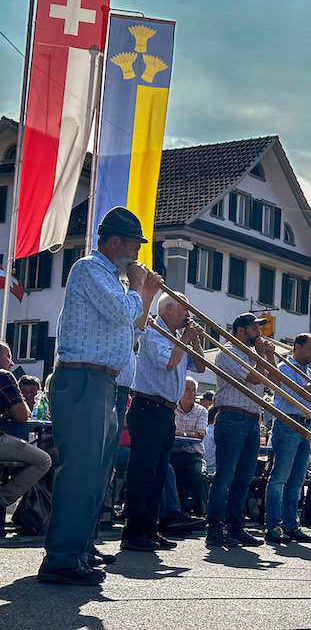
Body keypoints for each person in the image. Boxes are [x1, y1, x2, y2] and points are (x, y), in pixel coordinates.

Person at [38, 207, 161, 585]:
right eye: (134, 245)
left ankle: (80, 547)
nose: (138, 255)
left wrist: (142, 295)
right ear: (113, 243)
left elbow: (129, 335)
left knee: (96, 474)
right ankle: (61, 557)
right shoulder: (90, 269)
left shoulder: (115, 281)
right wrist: (144, 290)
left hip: (102, 382)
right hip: (82, 380)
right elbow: (123, 312)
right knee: (80, 473)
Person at [122, 291, 205, 551]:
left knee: (158, 475)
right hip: (148, 406)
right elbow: (169, 363)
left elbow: (201, 367)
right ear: (168, 309)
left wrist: (195, 341)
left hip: (165, 411)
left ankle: (150, 527)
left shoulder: (177, 337)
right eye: (184, 309)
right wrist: (186, 340)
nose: (188, 315)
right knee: (143, 473)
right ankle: (133, 531)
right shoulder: (153, 333)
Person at [206, 312, 276, 547]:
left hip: (252, 420)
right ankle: (215, 528)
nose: (259, 333)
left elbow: (273, 379)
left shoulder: (252, 355)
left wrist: (265, 355)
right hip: (232, 417)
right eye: (254, 329)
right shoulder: (227, 353)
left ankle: (235, 527)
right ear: (240, 331)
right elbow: (255, 379)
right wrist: (261, 354)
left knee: (243, 479)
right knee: (225, 476)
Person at [264, 333, 311, 545]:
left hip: (305, 426)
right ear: (297, 347)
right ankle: (273, 525)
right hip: (288, 423)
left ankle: (291, 525)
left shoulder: (309, 371)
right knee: (279, 478)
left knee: (297, 480)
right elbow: (296, 395)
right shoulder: (285, 367)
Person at [0, 342, 52, 523]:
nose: (12, 363)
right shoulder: (4, 376)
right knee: (44, 460)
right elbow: (23, 416)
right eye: (8, 356)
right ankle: (2, 498)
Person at [170, 377, 209, 517]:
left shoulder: (202, 411)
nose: (191, 393)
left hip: (194, 456)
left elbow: (201, 435)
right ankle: (175, 512)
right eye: (187, 390)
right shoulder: (171, 408)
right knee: (168, 473)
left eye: (194, 390)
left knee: (199, 475)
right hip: (173, 454)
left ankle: (201, 513)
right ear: (180, 391)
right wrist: (190, 434)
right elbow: (169, 431)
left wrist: (180, 433)